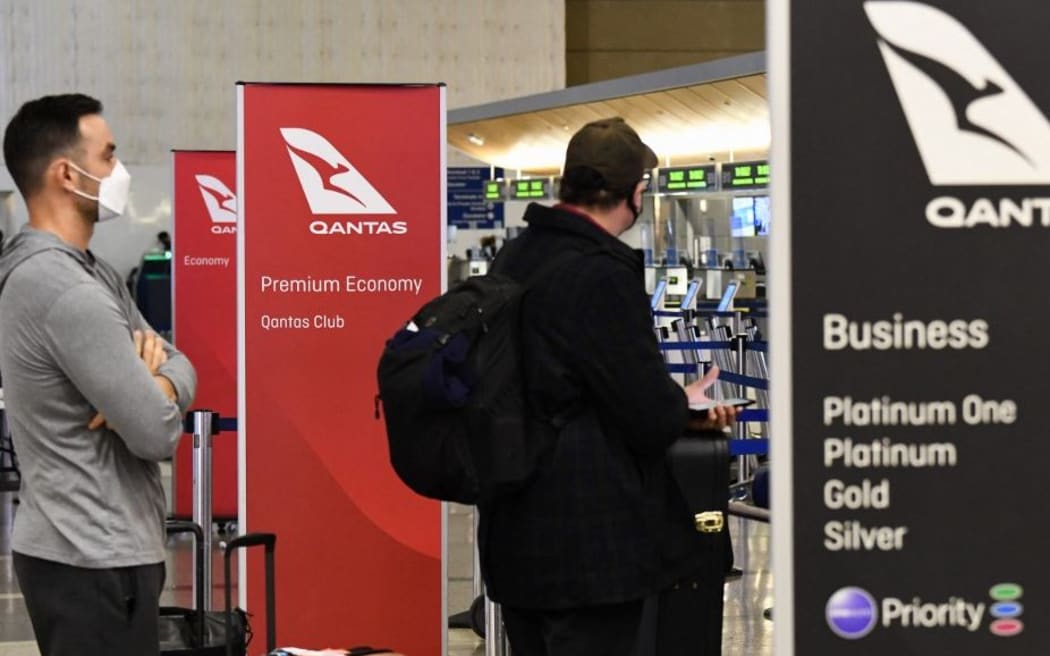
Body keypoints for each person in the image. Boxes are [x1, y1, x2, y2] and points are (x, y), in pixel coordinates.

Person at [478, 117, 735, 655]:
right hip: (586, 547)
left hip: (514, 530)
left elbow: (562, 381)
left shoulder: (515, 257)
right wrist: (678, 405)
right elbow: (643, 412)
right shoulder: (600, 272)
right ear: (635, 191)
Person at [0, 94, 197, 656]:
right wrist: (149, 395)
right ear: (67, 173)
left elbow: (180, 362)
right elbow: (156, 432)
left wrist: (153, 383)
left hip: (95, 549)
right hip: (90, 556)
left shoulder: (92, 273)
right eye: (108, 156)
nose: (118, 171)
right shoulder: (62, 289)